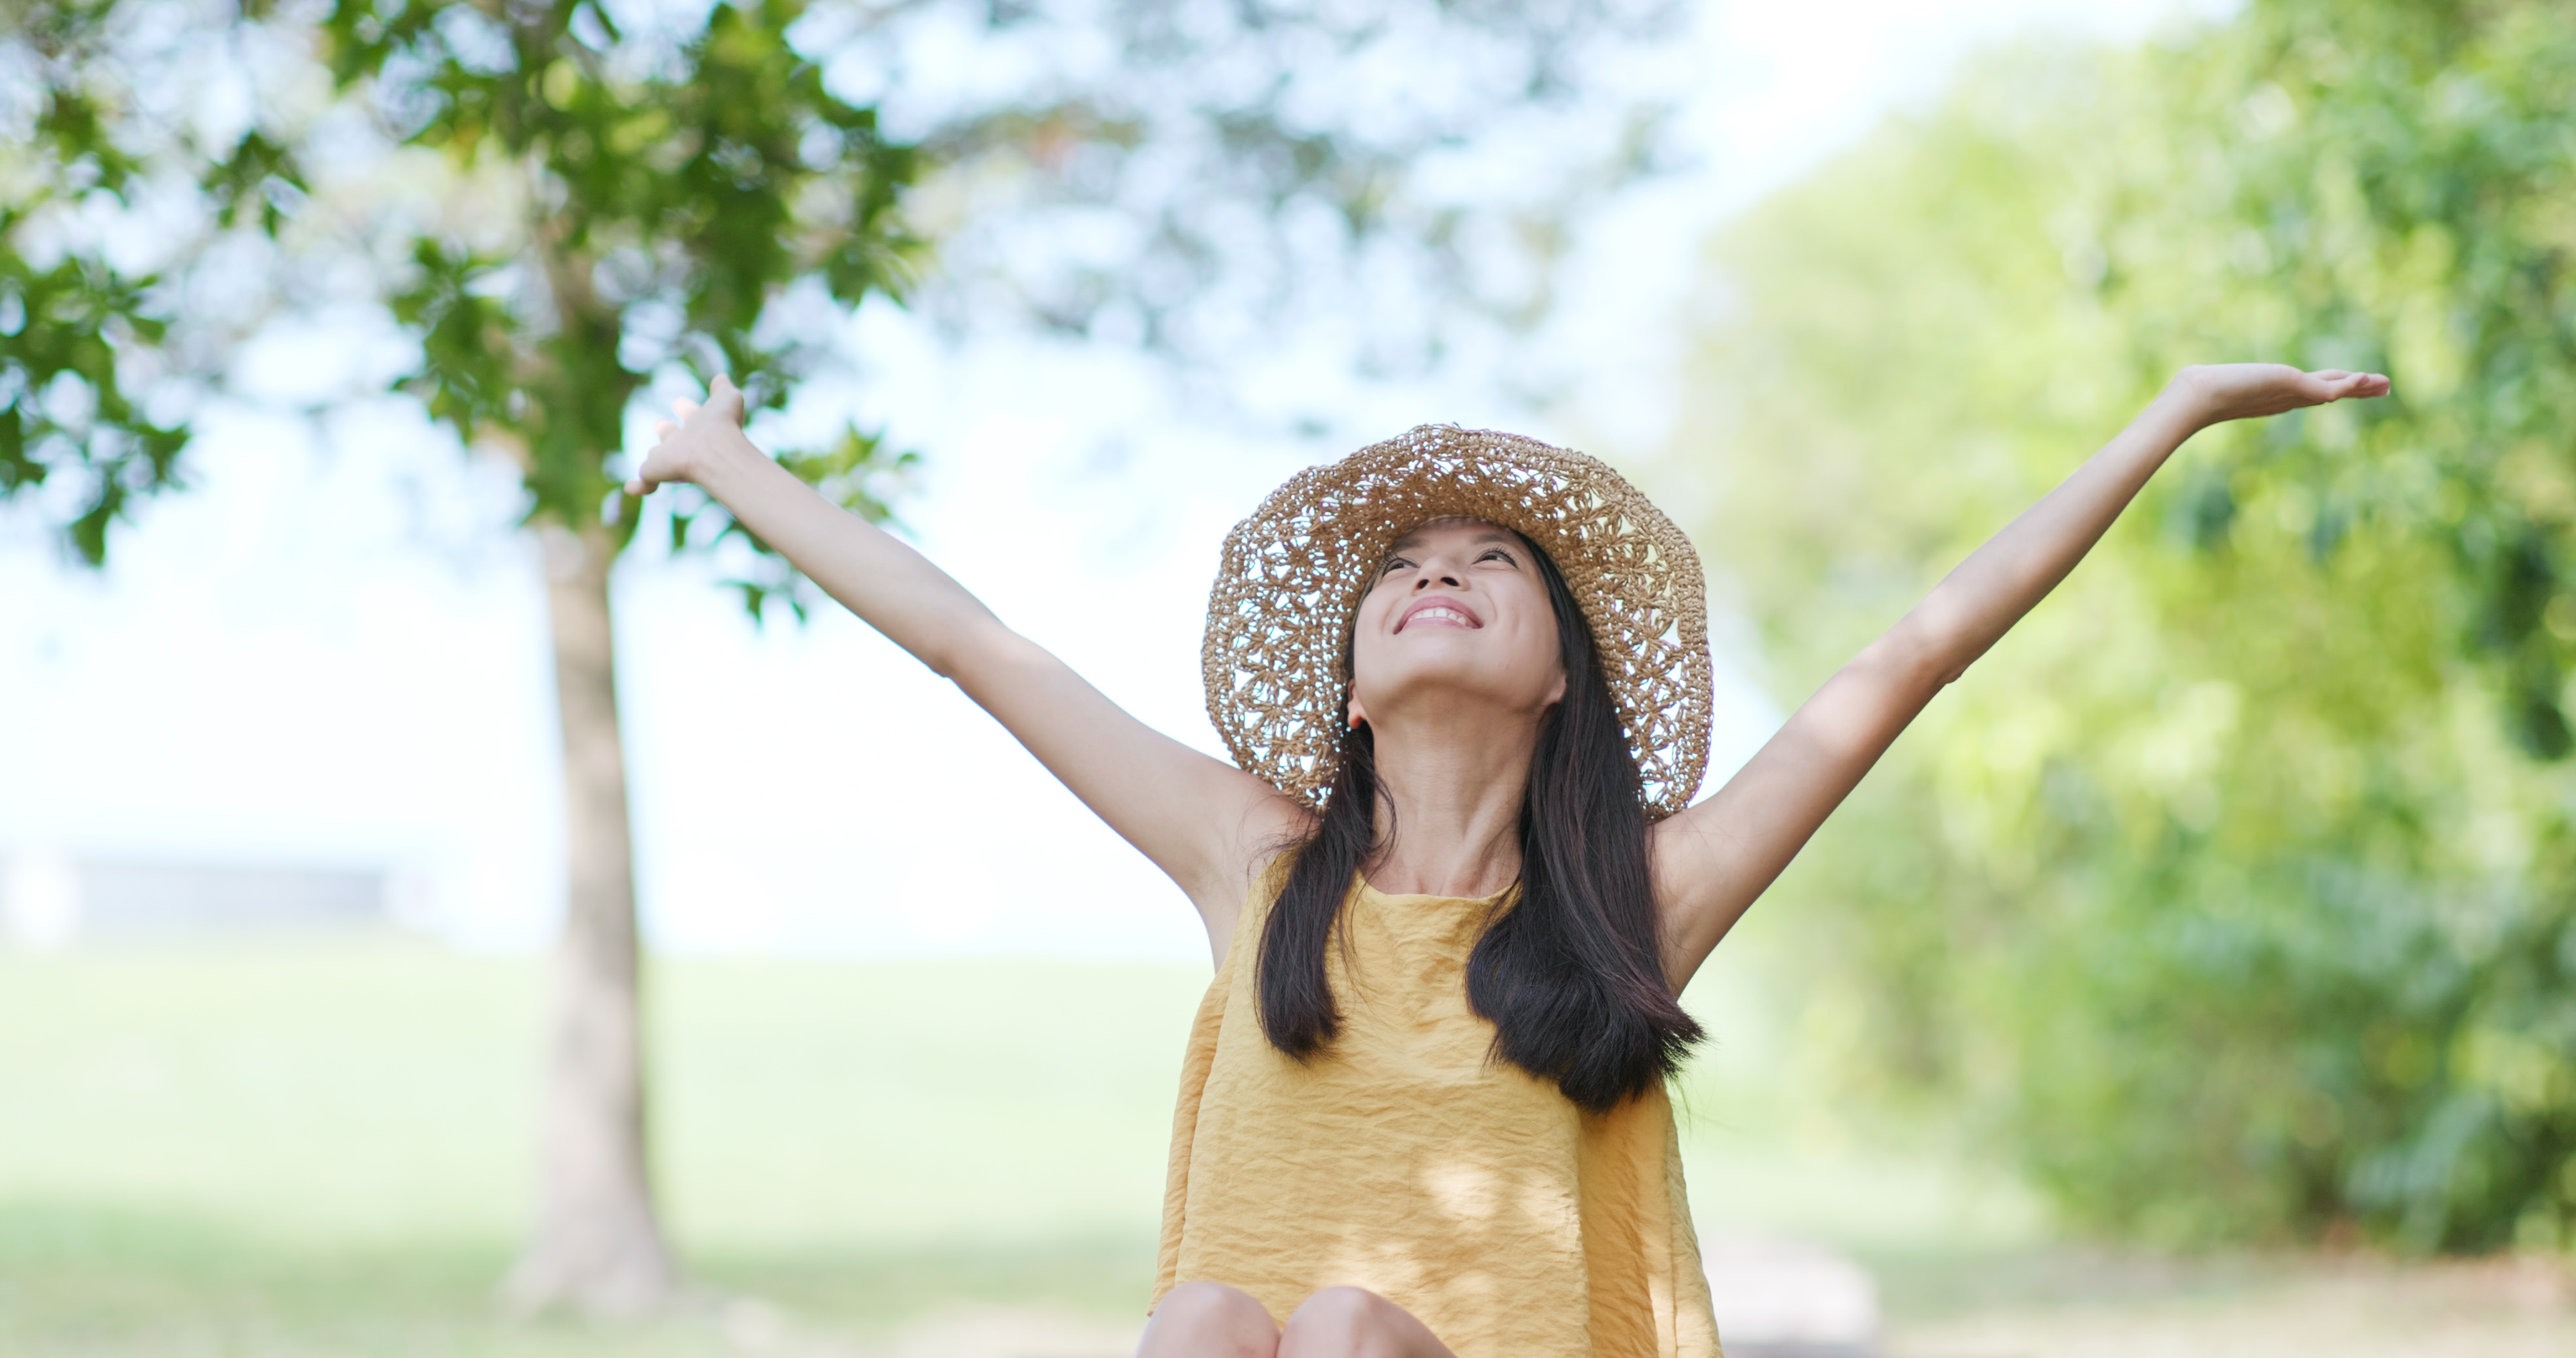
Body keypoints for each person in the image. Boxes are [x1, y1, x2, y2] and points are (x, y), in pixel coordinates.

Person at [626, 362, 2389, 1357]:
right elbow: (974, 645)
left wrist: (2160, 416)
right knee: (1213, 1324)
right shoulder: (1251, 857)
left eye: (1494, 560)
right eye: (1401, 563)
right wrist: (718, 457)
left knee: (1336, 1332)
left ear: (1556, 671)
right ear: (1350, 681)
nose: (1436, 570)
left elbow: (1909, 657)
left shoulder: (1643, 896)